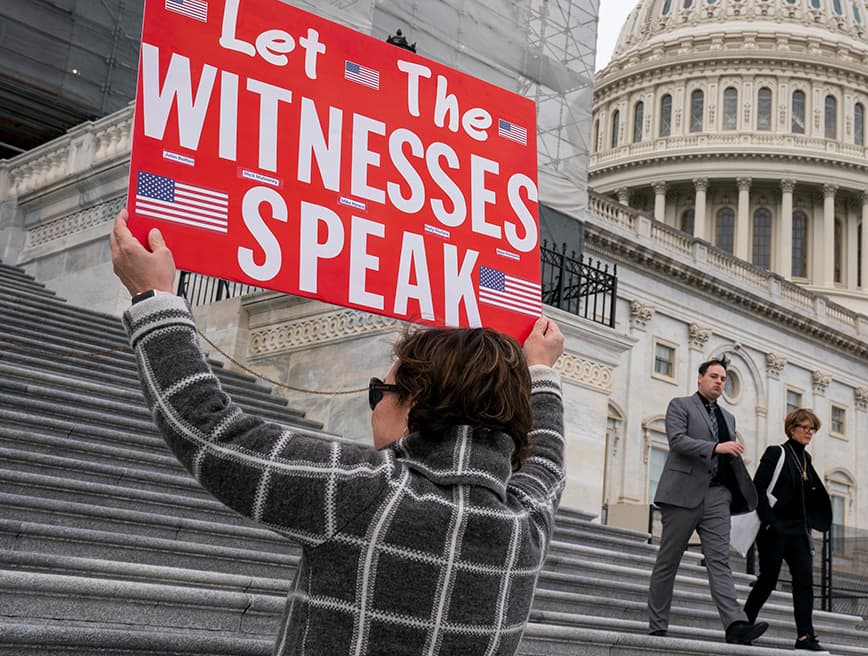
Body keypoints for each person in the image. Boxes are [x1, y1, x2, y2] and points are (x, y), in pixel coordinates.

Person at [108, 211, 566, 656]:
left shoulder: (366, 491)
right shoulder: (524, 526)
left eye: (379, 391)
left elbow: (210, 431)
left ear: (418, 401)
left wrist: (154, 296)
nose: (373, 408)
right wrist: (540, 371)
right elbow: (546, 461)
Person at [646, 356, 769, 645]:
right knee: (668, 562)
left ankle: (736, 625)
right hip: (682, 494)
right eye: (714, 376)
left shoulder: (729, 418)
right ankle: (657, 625)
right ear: (700, 378)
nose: (719, 382)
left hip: (717, 496)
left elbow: (730, 456)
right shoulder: (680, 405)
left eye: (724, 378)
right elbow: (677, 441)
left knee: (719, 562)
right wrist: (716, 446)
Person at [743, 408, 833, 652]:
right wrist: (770, 521)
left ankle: (805, 635)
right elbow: (757, 488)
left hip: (798, 532)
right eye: (805, 427)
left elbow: (813, 494)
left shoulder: (806, 460)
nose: (809, 432)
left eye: (812, 428)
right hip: (775, 529)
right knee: (768, 579)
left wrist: (814, 520)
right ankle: (743, 624)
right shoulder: (777, 453)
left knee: (804, 581)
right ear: (792, 428)